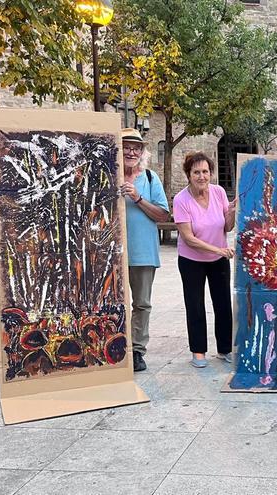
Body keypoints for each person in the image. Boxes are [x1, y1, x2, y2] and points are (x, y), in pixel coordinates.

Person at [173, 152, 236, 368]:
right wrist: (219, 250)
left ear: (211, 173)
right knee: (196, 305)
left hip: (218, 258)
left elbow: (227, 227)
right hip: (192, 260)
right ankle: (198, 351)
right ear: (188, 175)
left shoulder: (218, 192)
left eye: (205, 172)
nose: (202, 176)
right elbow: (189, 239)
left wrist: (233, 212)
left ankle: (225, 349)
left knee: (223, 304)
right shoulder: (181, 200)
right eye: (196, 172)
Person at [119, 128, 170, 372]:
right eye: (126, 146)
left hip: (143, 252)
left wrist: (138, 198)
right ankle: (114, 347)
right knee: (113, 304)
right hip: (111, 254)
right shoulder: (106, 175)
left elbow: (162, 214)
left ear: (142, 152)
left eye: (135, 148)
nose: (130, 151)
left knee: (141, 304)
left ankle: (137, 350)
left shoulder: (150, 178)